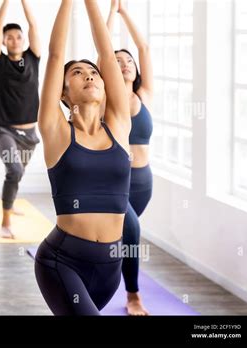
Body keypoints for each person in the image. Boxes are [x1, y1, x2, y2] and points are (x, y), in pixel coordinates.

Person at [34, 0, 131, 315]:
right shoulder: (57, 131)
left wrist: (92, 4)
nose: (89, 76)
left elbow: (106, 54)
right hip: (62, 262)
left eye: (93, 73)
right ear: (63, 93)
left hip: (110, 269)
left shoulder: (118, 125)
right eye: (77, 73)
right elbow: (55, 55)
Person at [105, 0, 154, 316]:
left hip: (144, 182)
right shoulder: (108, 97)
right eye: (117, 60)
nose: (124, 63)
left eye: (128, 61)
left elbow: (144, 47)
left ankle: (101, 269)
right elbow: (102, 48)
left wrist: (124, 11)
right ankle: (133, 296)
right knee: (132, 231)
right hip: (116, 181)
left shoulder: (144, 95)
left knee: (121, 237)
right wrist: (110, 13)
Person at [0, 0, 42, 238]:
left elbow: (33, 24)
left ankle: (10, 202)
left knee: (18, 174)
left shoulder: (33, 58)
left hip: (30, 134)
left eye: (18, 36)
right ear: (3, 41)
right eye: (8, 37)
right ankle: (5, 222)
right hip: (4, 131)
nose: (14, 40)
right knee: (15, 170)